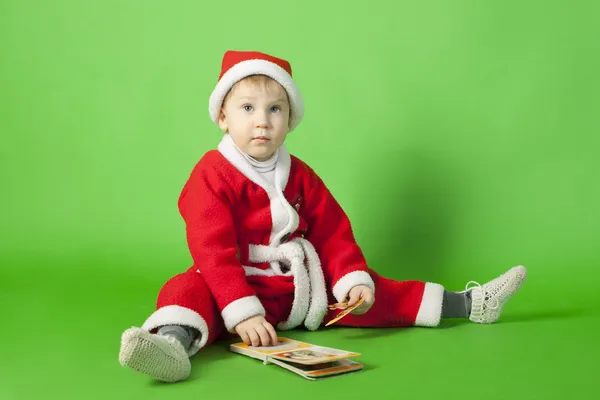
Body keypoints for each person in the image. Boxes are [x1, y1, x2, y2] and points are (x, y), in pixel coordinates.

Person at [118, 50, 527, 383]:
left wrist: (352, 278)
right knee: (186, 288)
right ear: (223, 118)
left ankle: (470, 303)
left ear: (289, 119)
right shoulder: (211, 174)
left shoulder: (300, 174)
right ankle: (172, 346)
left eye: (275, 109)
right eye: (248, 108)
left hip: (296, 288)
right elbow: (211, 247)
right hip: (235, 284)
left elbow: (332, 230)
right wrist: (242, 309)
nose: (262, 120)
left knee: (374, 296)